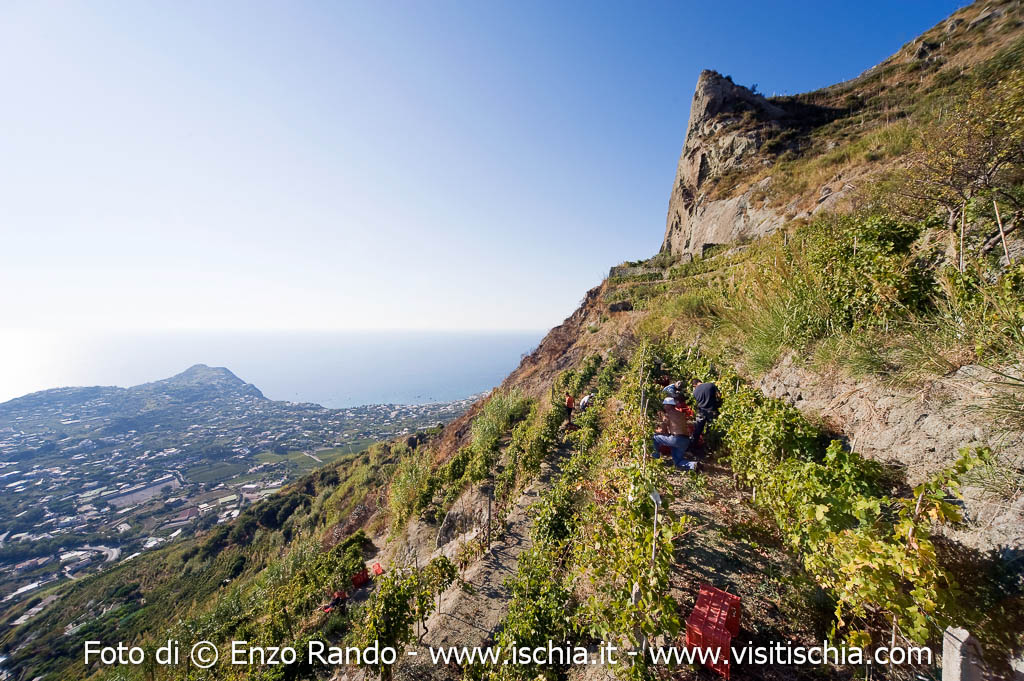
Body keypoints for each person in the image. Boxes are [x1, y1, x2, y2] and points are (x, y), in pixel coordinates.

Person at [652, 397, 696, 470]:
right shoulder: (681, 414)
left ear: (669, 405)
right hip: (685, 440)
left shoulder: (667, 415)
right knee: (678, 461)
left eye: (665, 405)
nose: (664, 407)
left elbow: (663, 431)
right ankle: (693, 465)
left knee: (655, 438)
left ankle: (655, 460)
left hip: (676, 439)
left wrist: (653, 430)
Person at [691, 379, 721, 444]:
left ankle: (694, 445)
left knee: (698, 429)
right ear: (700, 381)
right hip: (712, 411)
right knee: (712, 429)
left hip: (701, 412)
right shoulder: (710, 385)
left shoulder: (695, 392)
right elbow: (719, 395)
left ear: (694, 385)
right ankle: (710, 444)